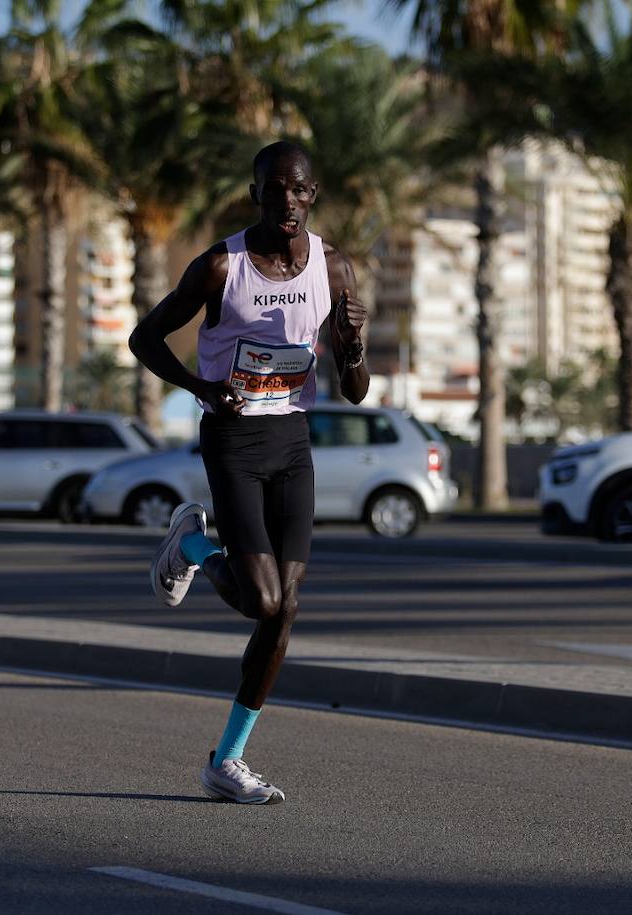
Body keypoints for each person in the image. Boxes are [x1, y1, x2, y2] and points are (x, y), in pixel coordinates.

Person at [128, 140, 369, 804]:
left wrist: (353, 348)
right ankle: (195, 543)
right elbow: (145, 338)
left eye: (297, 190)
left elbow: (355, 390)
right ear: (256, 192)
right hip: (232, 440)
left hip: (292, 440)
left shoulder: (335, 268)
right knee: (263, 599)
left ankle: (227, 761)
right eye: (273, 190)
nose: (285, 202)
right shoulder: (219, 267)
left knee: (284, 610)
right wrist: (200, 387)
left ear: (311, 195)